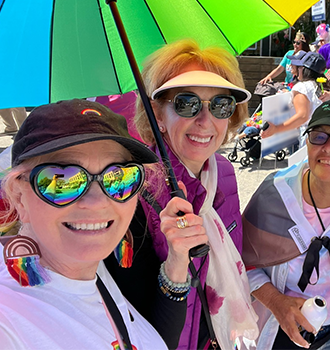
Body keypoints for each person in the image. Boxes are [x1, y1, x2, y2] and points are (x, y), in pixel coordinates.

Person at [111, 39, 259, 350]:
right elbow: (127, 311)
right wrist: (176, 264)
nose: (205, 121)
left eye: (221, 105)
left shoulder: (224, 174)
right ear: (158, 116)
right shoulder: (131, 190)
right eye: (187, 103)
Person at [0, 99, 168, 349]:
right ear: (19, 196)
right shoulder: (0, 317)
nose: (97, 202)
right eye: (61, 181)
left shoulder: (91, 270)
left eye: (119, 177)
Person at [243, 98, 330, 350]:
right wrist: (276, 302)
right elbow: (239, 261)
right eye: (318, 136)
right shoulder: (275, 195)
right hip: (278, 332)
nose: (329, 148)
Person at [261, 51, 327, 148]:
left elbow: (302, 116)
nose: (297, 69)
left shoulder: (301, 87)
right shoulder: (322, 86)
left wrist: (275, 129)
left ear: (304, 69)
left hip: (310, 136)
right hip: (325, 133)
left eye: (300, 67)